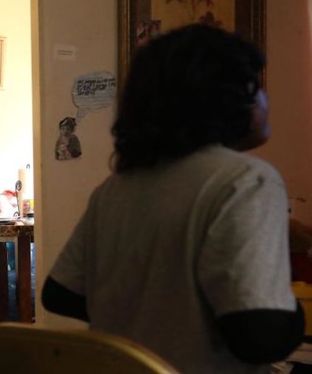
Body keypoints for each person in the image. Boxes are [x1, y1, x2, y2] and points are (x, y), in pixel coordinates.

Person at [42, 24, 304, 373]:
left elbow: (61, 293)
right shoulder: (247, 179)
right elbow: (259, 335)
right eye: (257, 84)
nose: (266, 98)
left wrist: (152, 315)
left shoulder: (118, 187)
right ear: (228, 96)